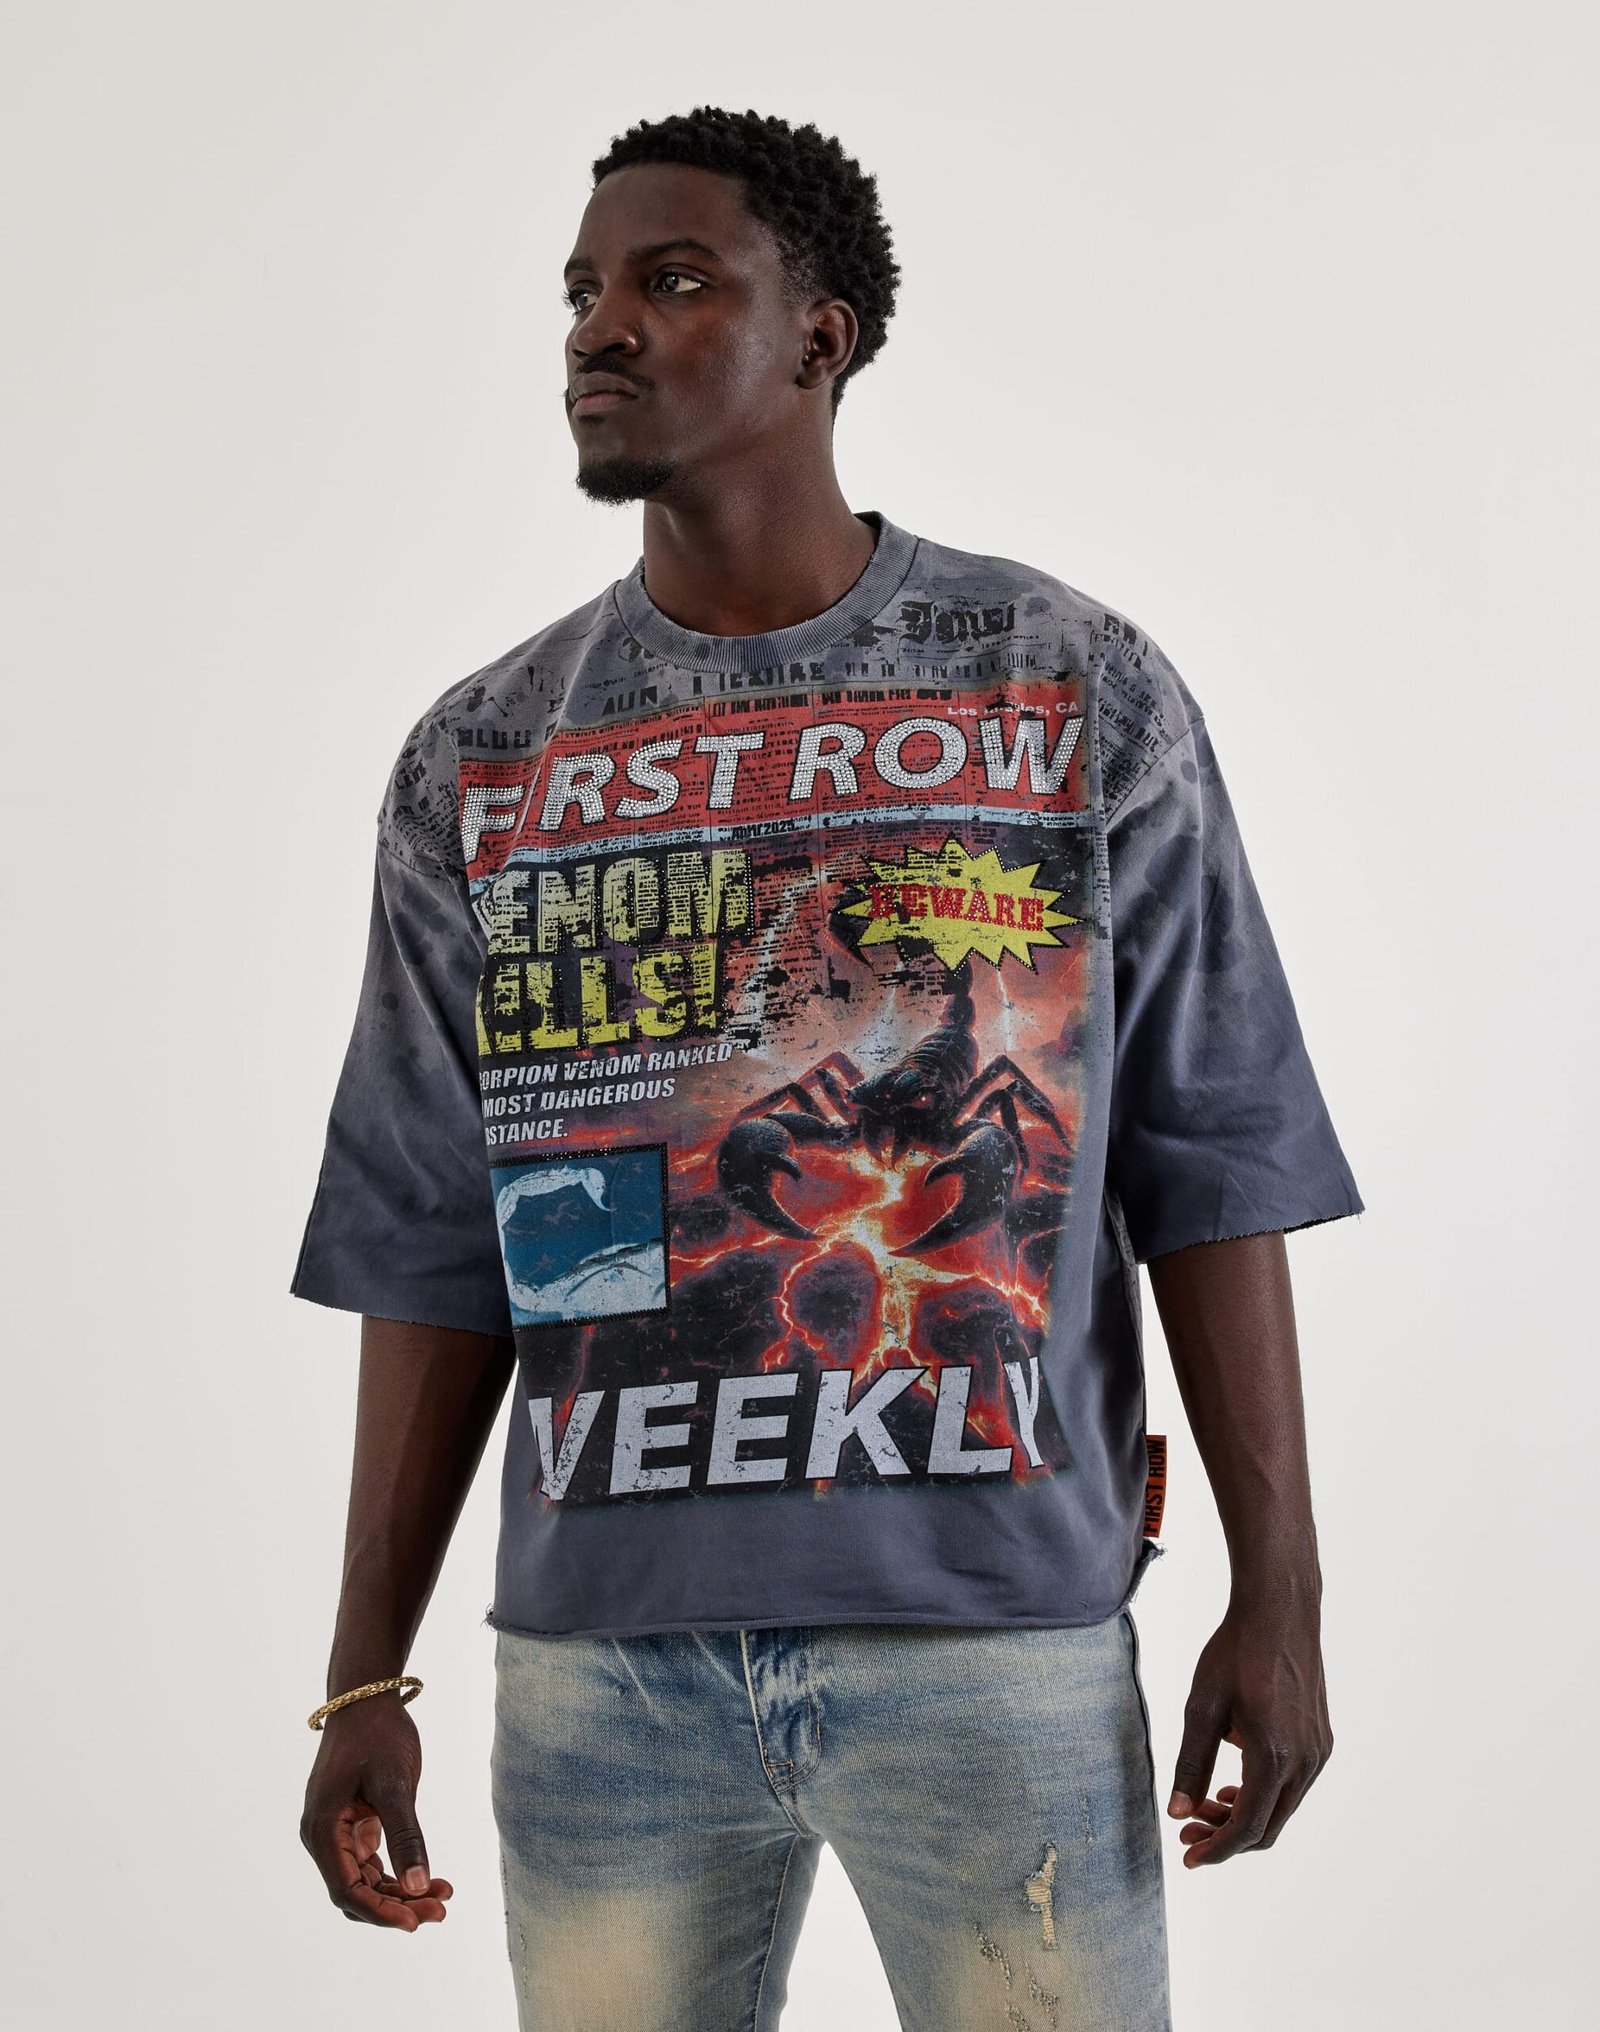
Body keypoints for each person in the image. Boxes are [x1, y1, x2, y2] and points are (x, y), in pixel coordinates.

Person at [292, 106, 1363, 2032]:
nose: (600, 328)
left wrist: (1279, 1599)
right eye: (581, 290)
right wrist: (365, 1672)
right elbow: (436, 1234)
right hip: (602, 1670)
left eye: (672, 280)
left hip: (994, 1638)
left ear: (822, 336)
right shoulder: (490, 752)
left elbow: (1213, 1154)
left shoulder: (1062, 683)